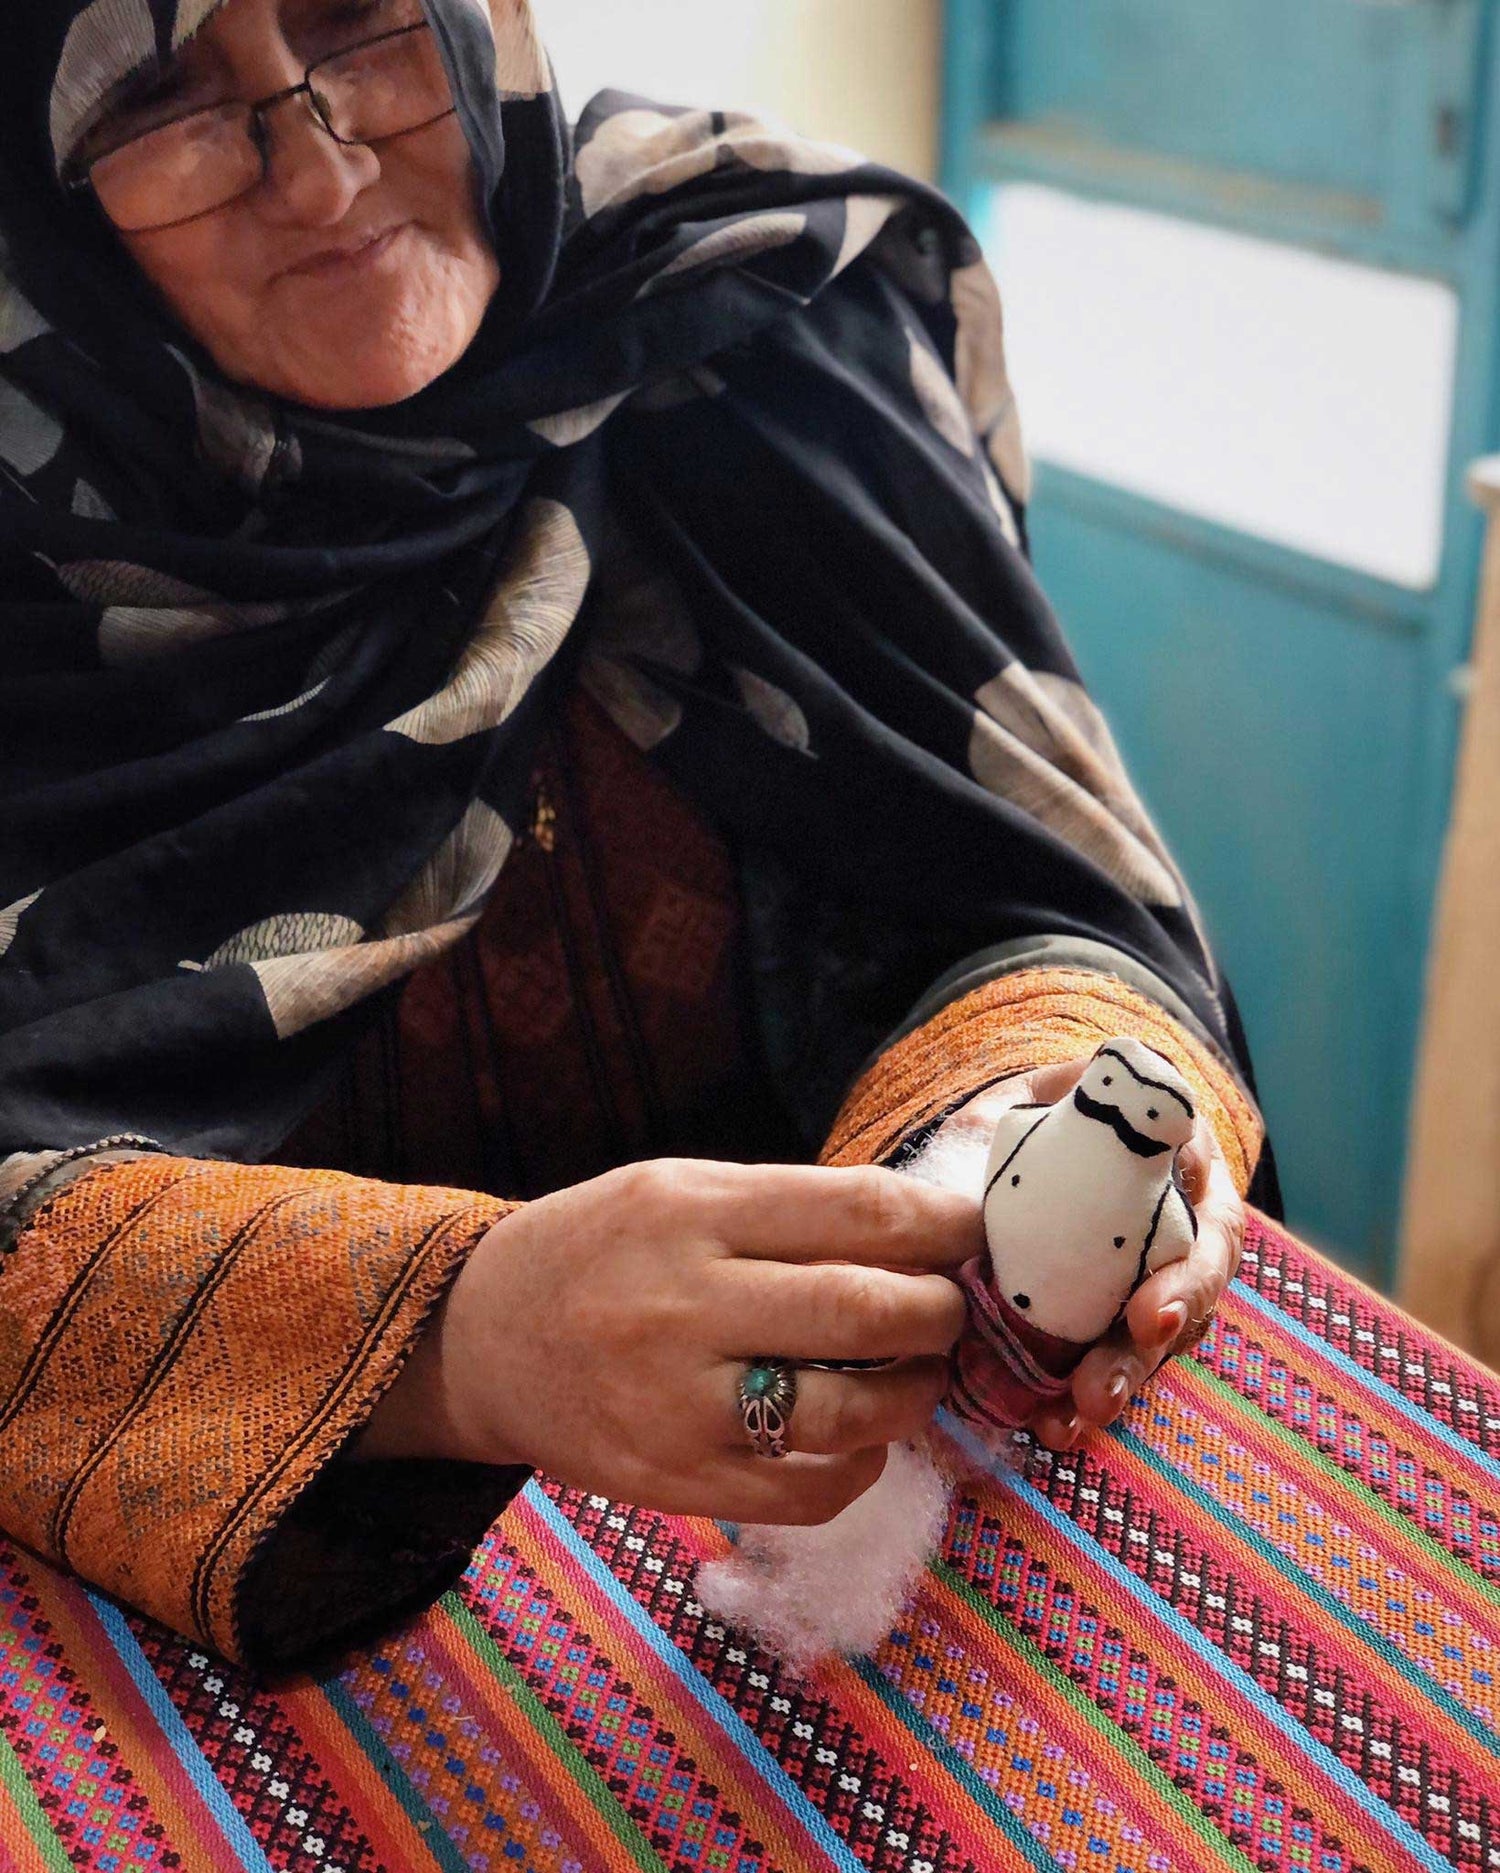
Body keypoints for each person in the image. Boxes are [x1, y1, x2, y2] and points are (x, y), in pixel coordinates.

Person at [0, 0, 1270, 1673]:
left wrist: (1020, 1120)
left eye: (356, 19)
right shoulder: (38, 560)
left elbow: (1045, 892)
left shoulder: (757, 315)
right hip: (310, 1671)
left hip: (870, 1575)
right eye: (160, 97)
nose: (317, 170)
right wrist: (459, 1341)